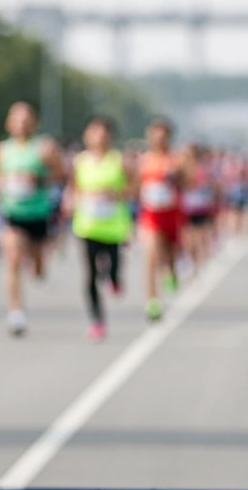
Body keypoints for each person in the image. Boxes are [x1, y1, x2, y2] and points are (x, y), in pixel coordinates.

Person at [0, 101, 63, 336]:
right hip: (12, 214)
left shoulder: (44, 148)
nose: (21, 123)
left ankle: (38, 263)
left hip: (38, 215)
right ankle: (15, 313)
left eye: (26, 119)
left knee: (38, 270)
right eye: (16, 118)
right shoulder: (1, 150)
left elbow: (61, 174)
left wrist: (38, 180)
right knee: (12, 258)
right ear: (8, 123)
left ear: (34, 123)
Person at [66, 116, 132, 342]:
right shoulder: (80, 161)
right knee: (91, 275)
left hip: (113, 226)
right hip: (87, 225)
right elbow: (73, 189)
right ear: (87, 135)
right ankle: (97, 321)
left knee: (112, 269)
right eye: (95, 132)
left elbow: (134, 188)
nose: (99, 137)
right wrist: (75, 200)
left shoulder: (119, 160)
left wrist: (115, 194)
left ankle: (115, 278)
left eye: (104, 133)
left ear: (110, 136)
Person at [136, 118, 185, 321]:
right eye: (154, 134)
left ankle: (172, 271)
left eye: (162, 135)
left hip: (171, 215)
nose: (158, 139)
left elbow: (188, 182)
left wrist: (176, 176)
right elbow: (134, 186)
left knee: (170, 257)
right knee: (152, 257)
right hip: (149, 217)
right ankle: (152, 301)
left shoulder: (176, 159)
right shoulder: (143, 159)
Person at [180, 143, 218, 270]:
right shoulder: (183, 167)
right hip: (187, 206)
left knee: (200, 234)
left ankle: (200, 261)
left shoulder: (203, 168)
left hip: (201, 206)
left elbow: (208, 184)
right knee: (188, 236)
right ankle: (192, 258)